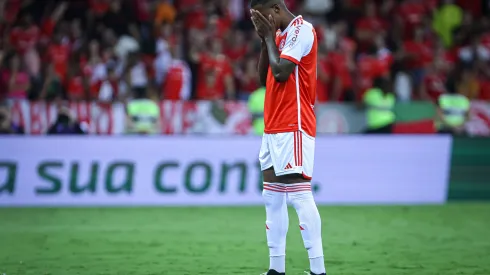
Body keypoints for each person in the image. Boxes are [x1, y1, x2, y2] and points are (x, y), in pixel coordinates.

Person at [250, 1, 326, 275]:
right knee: (272, 196)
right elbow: (264, 78)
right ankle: (276, 269)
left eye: (261, 17)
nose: (260, 22)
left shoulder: (301, 30)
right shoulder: (279, 35)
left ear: (275, 8)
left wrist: (270, 38)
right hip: (273, 126)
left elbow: (282, 73)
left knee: (299, 195)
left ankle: (318, 270)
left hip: (294, 123)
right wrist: (264, 41)